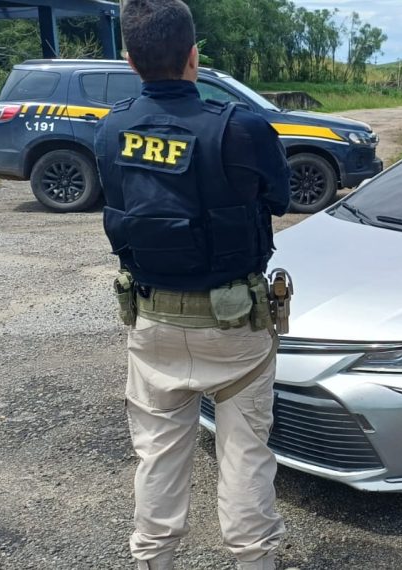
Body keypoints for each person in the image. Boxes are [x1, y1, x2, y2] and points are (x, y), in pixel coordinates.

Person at [94, 0, 291, 568]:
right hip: (235, 329)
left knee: (156, 456)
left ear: (130, 60)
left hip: (152, 322)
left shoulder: (112, 129)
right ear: (194, 57)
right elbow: (278, 198)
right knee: (246, 458)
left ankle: (153, 559)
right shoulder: (243, 129)